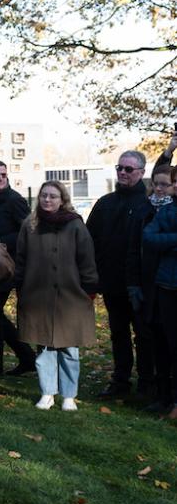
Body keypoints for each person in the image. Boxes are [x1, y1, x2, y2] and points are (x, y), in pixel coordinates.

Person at [20, 181, 99, 411]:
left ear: (62, 199)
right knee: (44, 348)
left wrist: (89, 288)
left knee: (69, 348)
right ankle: (47, 392)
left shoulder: (75, 225)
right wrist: (20, 286)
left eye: (53, 196)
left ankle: (69, 395)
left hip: (71, 296)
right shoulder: (30, 224)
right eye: (44, 195)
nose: (47, 200)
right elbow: (21, 258)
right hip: (38, 295)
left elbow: (87, 258)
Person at [87, 150, 152, 399]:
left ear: (141, 173)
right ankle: (120, 381)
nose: (123, 173)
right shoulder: (105, 203)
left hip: (139, 284)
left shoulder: (147, 204)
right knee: (119, 334)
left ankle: (147, 384)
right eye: (119, 168)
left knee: (144, 336)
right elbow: (89, 239)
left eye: (129, 169)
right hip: (112, 282)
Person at [0, 159, 37, 376]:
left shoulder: (14, 200)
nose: (1, 178)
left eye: (4, 175)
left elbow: (27, 231)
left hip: (8, 266)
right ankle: (25, 357)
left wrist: (1, 239)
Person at [128, 166, 173, 413]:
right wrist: (133, 283)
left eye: (164, 184)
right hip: (149, 285)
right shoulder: (144, 211)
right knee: (154, 342)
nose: (158, 188)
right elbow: (136, 247)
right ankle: (158, 392)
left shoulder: (171, 212)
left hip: (169, 285)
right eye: (155, 183)